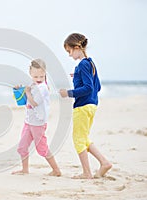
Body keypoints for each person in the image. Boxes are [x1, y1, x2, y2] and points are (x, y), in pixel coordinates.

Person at [59, 33, 112, 179]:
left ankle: (87, 173)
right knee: (84, 138)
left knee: (78, 139)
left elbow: (88, 88)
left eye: (69, 51)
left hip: (82, 107)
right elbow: (97, 86)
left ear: (77, 47)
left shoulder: (82, 64)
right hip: (92, 105)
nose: (69, 55)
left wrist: (68, 93)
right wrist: (77, 77)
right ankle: (104, 162)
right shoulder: (90, 62)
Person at [12, 59, 61, 176]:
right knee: (22, 147)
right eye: (35, 76)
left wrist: (28, 93)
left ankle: (56, 170)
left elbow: (34, 103)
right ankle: (25, 169)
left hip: (38, 123)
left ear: (45, 74)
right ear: (30, 73)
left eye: (41, 76)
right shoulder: (33, 84)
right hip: (29, 121)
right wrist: (19, 89)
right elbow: (24, 100)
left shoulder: (43, 88)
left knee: (42, 149)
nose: (38, 79)